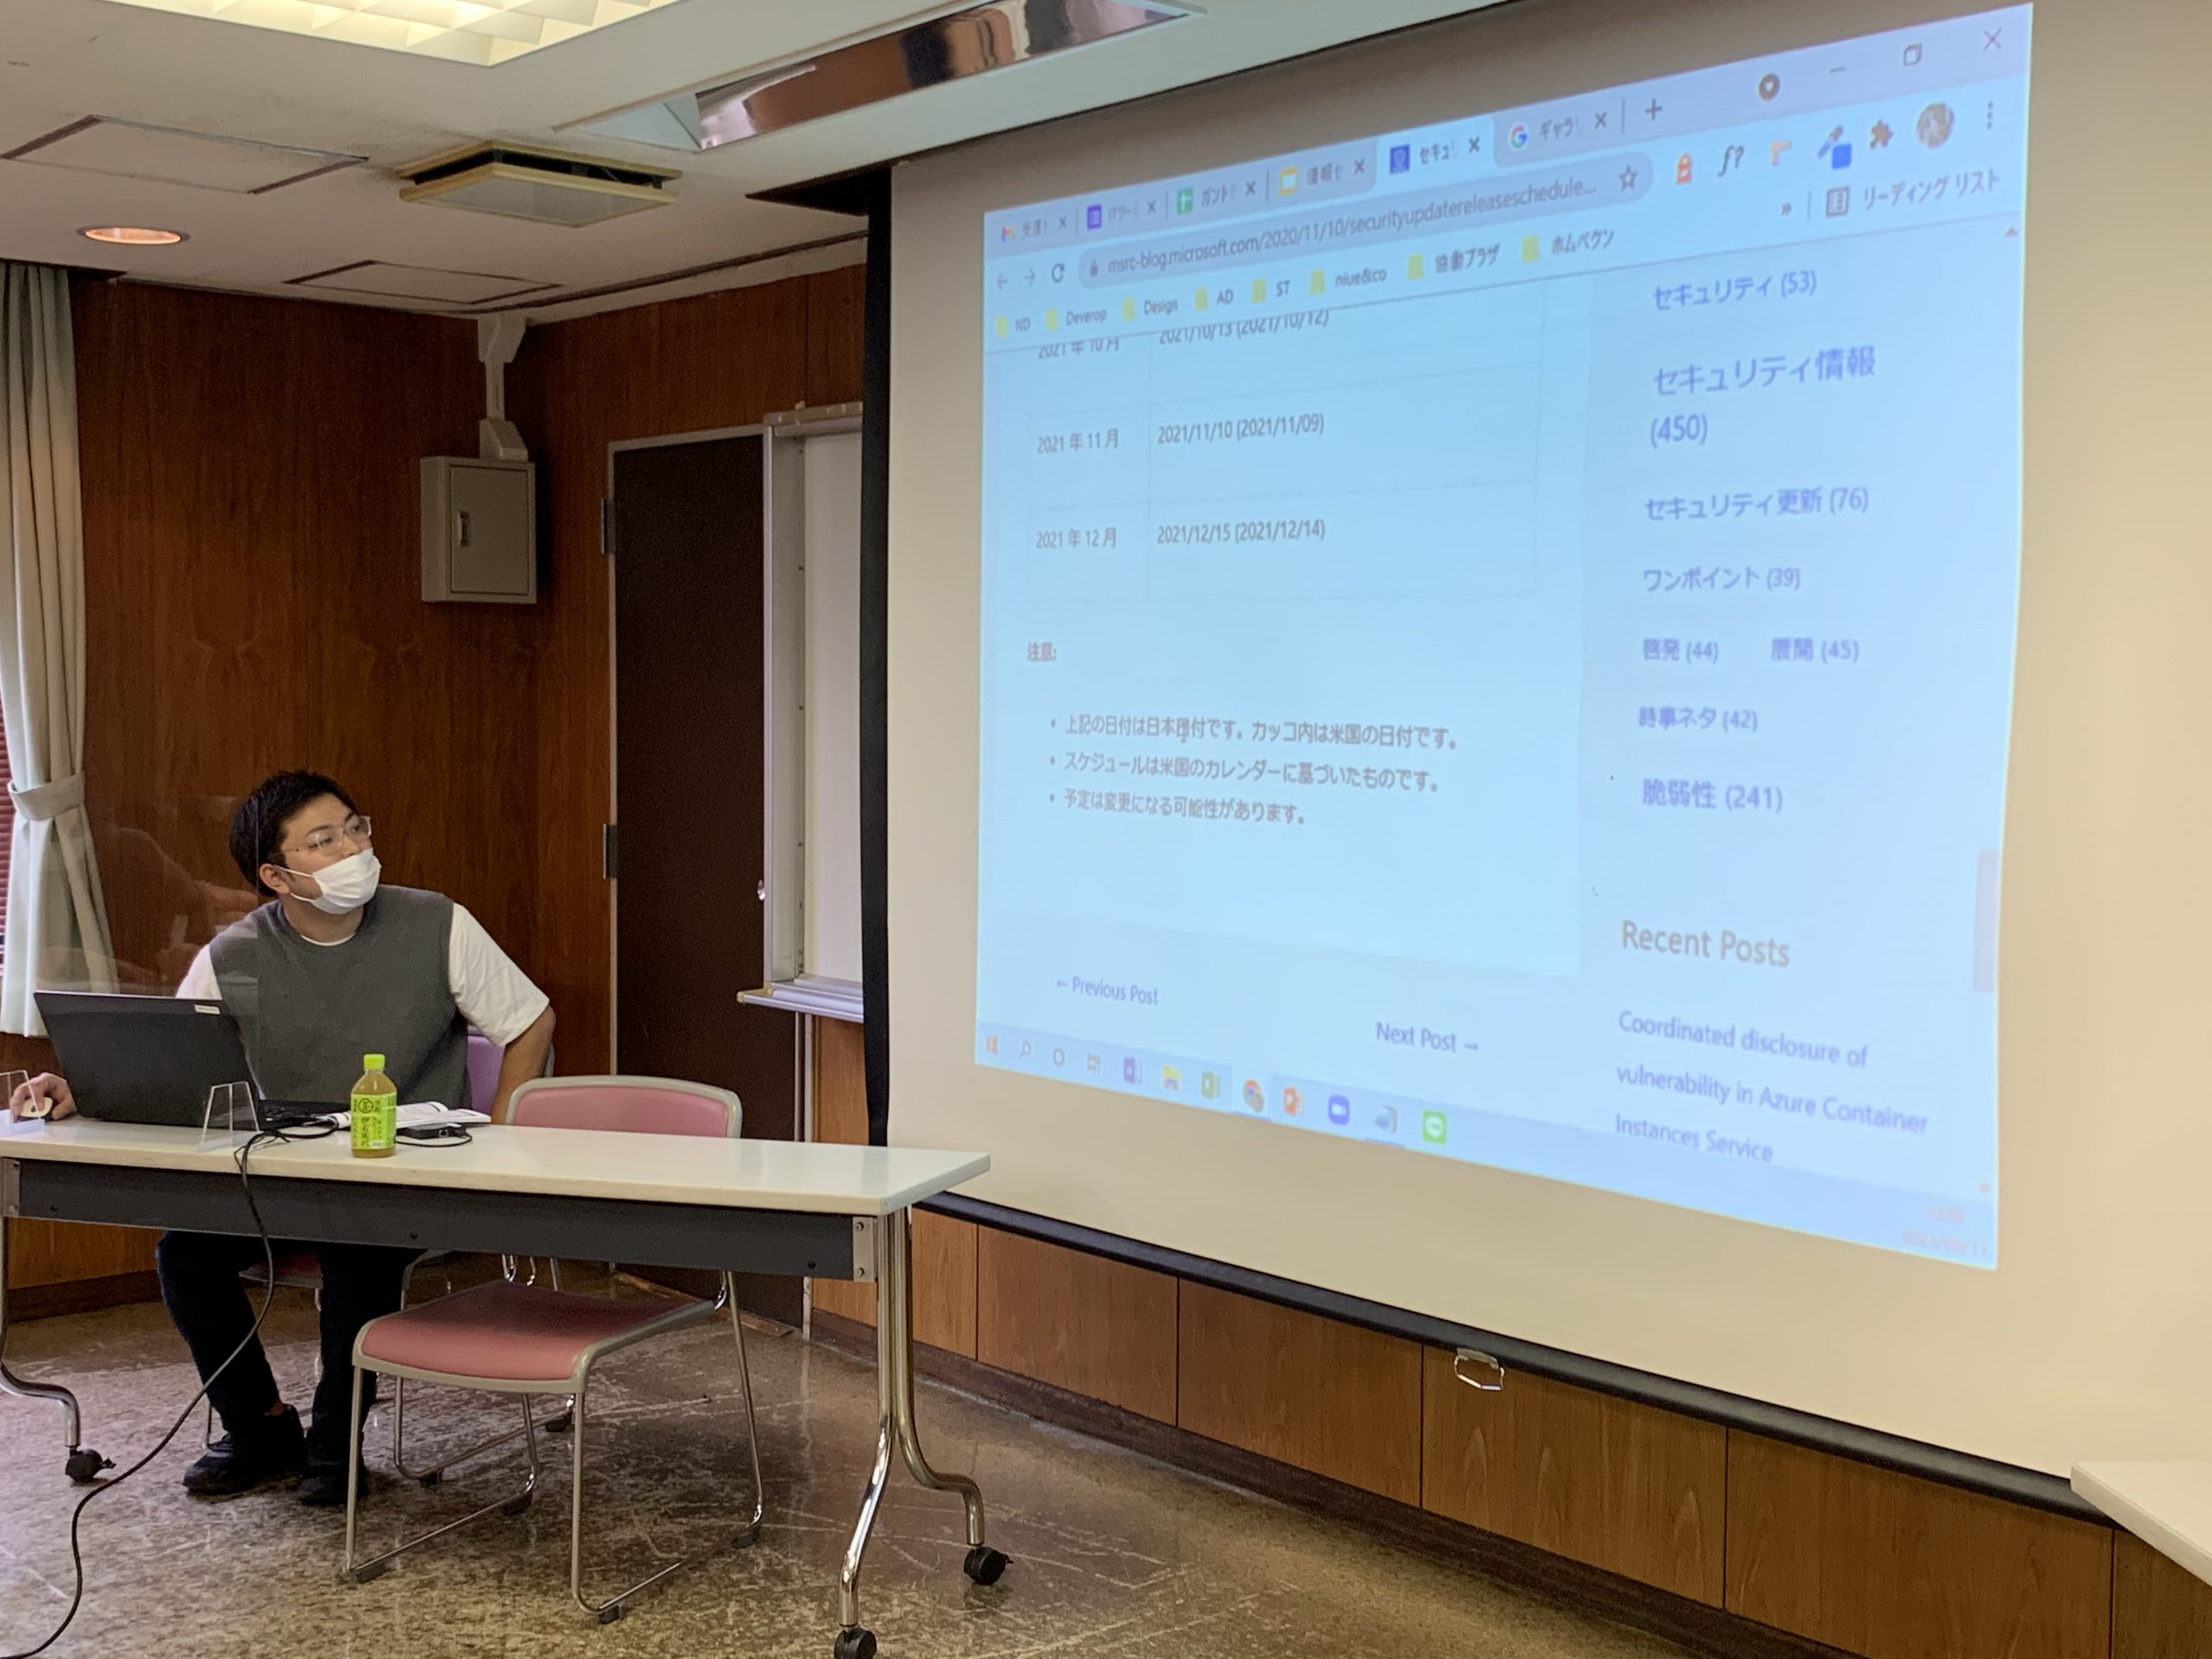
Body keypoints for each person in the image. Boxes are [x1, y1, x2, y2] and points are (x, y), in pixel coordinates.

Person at [10, 771, 555, 1506]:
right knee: (185, 1256)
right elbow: (172, 1064)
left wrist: (503, 1133)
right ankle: (260, 1429)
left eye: (355, 827)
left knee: (357, 1252)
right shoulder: (233, 955)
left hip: (400, 1173)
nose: (353, 849)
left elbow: (529, 1021)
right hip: (281, 1174)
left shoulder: (436, 923)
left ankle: (335, 1444)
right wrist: (78, 1090)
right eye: (323, 841)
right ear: (277, 876)